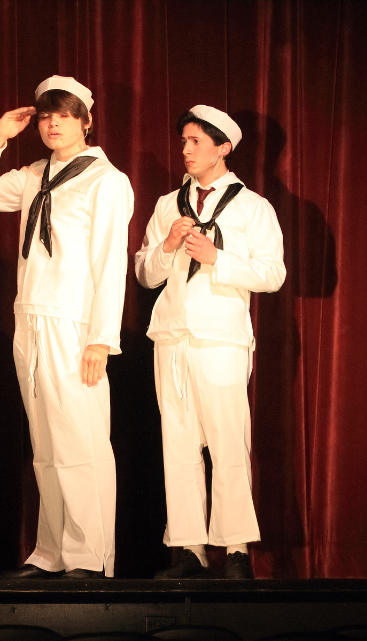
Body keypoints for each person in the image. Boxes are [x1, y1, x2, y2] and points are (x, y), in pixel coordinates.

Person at [0, 75, 133, 579]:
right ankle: (51, 553)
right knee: (47, 444)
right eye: (45, 115)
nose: (53, 124)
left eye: (63, 114)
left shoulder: (105, 180)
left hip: (75, 323)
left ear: (86, 120)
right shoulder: (35, 173)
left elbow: (109, 264)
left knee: (80, 440)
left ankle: (89, 556)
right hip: (30, 317)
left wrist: (102, 336)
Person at [134, 106, 285, 580]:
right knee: (177, 444)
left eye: (196, 141)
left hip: (221, 336)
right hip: (171, 334)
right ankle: (188, 549)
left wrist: (218, 258)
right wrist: (165, 248)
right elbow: (143, 273)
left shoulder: (252, 206)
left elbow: (273, 274)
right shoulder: (166, 205)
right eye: (182, 141)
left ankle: (236, 549)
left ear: (224, 147)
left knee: (227, 442)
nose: (185, 150)